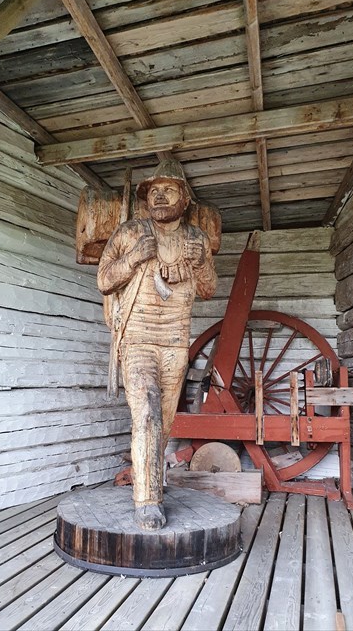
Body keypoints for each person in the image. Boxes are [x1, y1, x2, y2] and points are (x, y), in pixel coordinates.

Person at [97, 160, 217, 530]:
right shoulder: (131, 232)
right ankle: (147, 501)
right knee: (146, 412)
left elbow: (209, 289)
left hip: (175, 341)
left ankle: (150, 479)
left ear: (185, 199)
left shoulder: (196, 239)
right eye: (154, 191)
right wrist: (134, 257)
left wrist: (200, 264)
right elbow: (104, 280)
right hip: (137, 338)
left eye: (169, 190)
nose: (160, 196)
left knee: (162, 421)